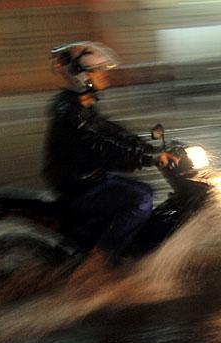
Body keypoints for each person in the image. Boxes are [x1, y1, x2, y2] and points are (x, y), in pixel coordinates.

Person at [43, 41, 161, 270]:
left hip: (88, 177)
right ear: (81, 75)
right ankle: (99, 260)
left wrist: (146, 146)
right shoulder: (70, 111)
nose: (106, 77)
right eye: (100, 71)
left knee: (146, 190)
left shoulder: (81, 105)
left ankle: (131, 247)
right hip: (77, 184)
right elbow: (101, 145)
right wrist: (146, 158)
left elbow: (110, 131)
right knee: (139, 200)